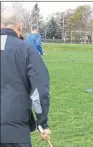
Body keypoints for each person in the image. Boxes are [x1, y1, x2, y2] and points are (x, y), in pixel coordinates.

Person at [1, 7, 51, 147]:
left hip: (14, 129)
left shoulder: (27, 49)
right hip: (14, 132)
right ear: (20, 26)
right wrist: (42, 123)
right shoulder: (27, 50)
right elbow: (40, 92)